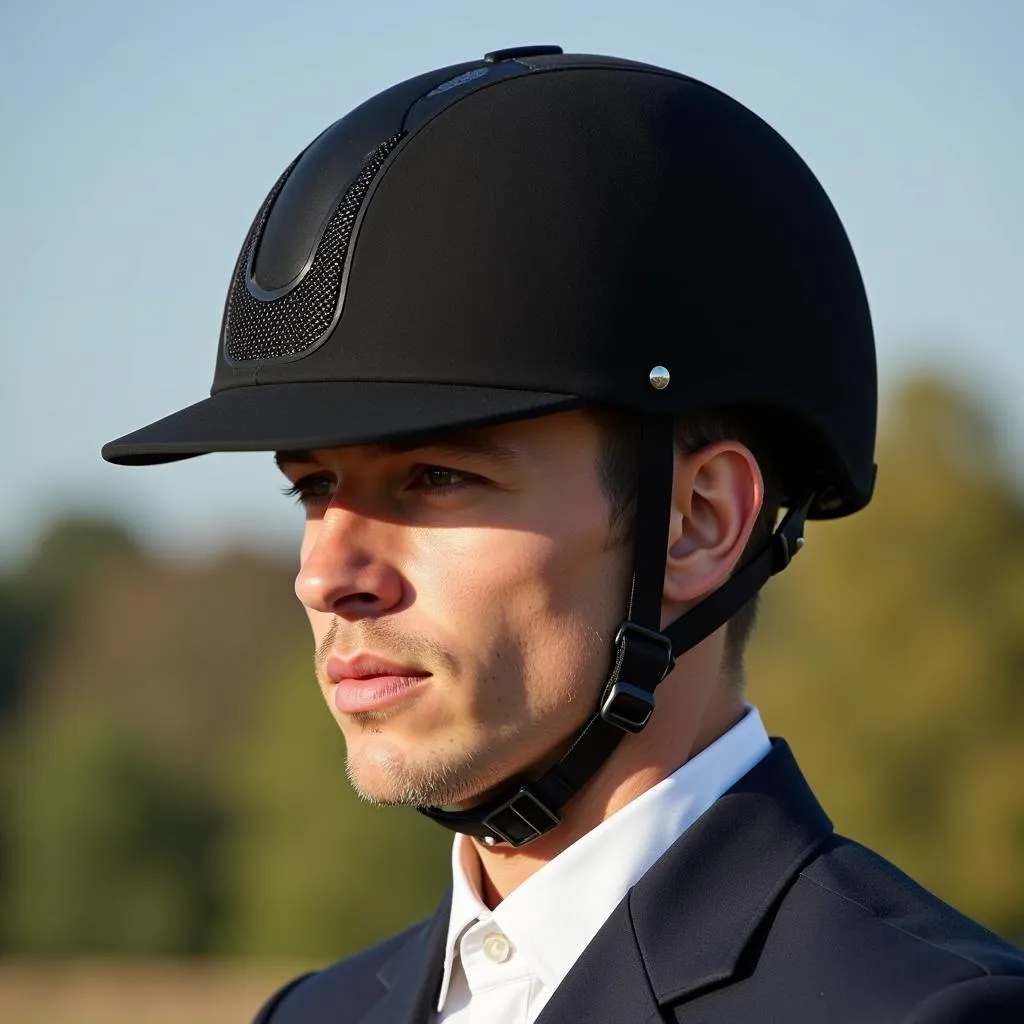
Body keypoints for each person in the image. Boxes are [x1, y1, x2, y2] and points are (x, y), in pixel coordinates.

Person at [103, 45, 1024, 1023]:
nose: (327, 574)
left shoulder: (924, 1012)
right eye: (313, 488)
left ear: (697, 524)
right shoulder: (307, 1015)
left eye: (434, 477)